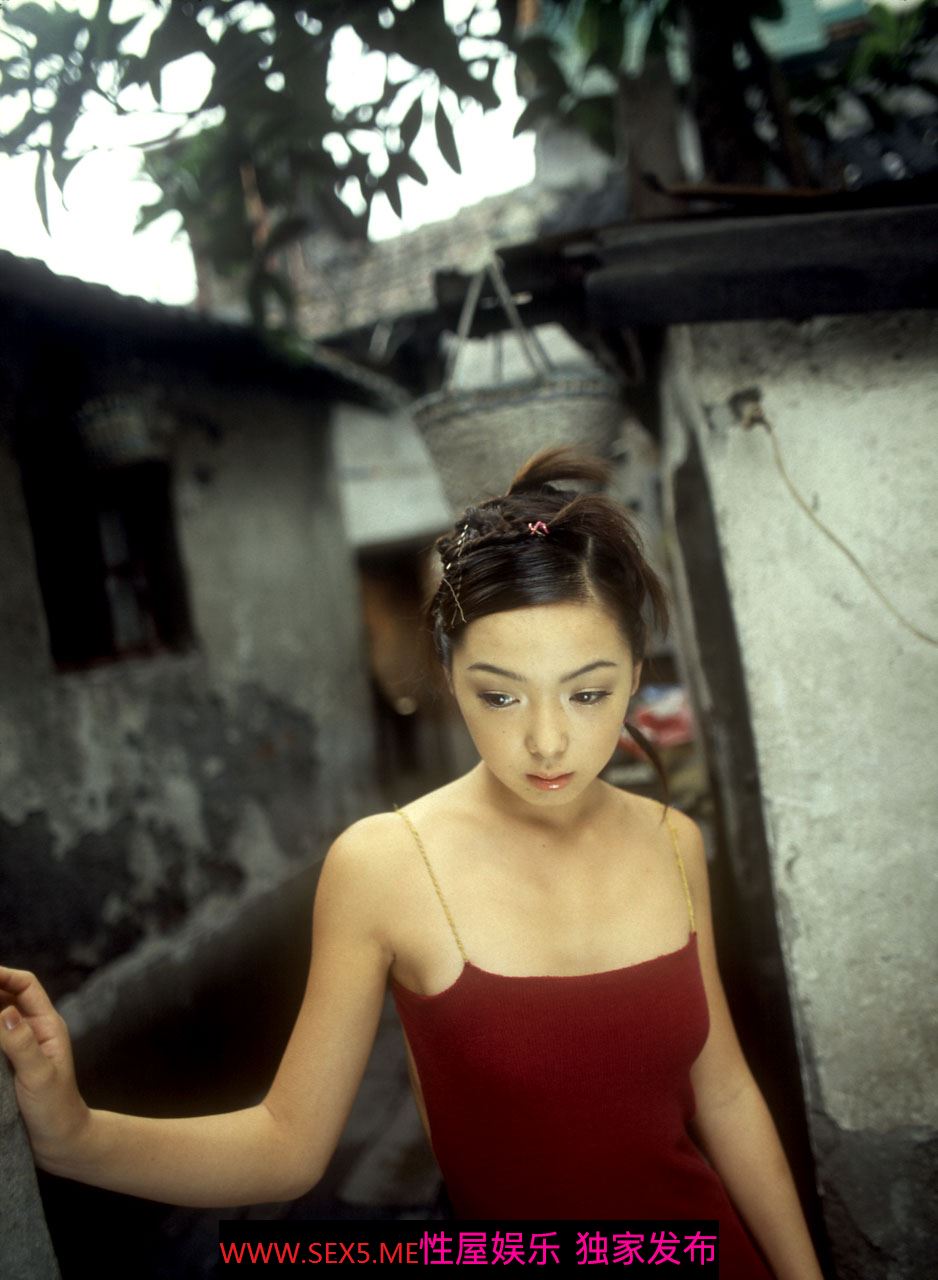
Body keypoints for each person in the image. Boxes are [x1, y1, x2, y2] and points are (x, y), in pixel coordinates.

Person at [1, 445, 823, 1279]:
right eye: (500, 695)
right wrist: (76, 1136)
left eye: (587, 693)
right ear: (451, 677)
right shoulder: (386, 864)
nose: (547, 740)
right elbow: (287, 1145)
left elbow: (725, 1093)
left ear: (636, 676)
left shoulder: (672, 841)